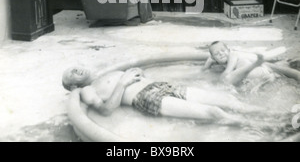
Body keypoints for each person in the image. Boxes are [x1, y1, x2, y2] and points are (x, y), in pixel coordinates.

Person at [62, 66, 265, 126]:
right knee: (214, 112)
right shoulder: (86, 90)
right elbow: (106, 111)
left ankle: (273, 113)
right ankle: (265, 127)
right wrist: (123, 83)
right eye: (71, 73)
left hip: (162, 85)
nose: (75, 69)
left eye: (74, 67)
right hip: (146, 96)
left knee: (229, 100)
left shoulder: (105, 72)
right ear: (72, 85)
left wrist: (141, 73)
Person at [203, 41, 300, 88]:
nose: (221, 53)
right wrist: (207, 65)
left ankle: (280, 71)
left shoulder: (233, 55)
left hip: (255, 70)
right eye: (217, 53)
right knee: (281, 70)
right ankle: (276, 74)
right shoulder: (214, 60)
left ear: (228, 50)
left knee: (286, 71)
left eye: (223, 51)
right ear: (213, 57)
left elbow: (227, 73)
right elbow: (204, 69)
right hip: (257, 70)